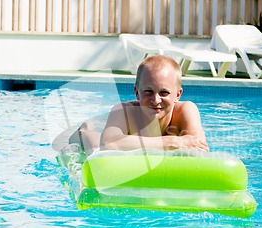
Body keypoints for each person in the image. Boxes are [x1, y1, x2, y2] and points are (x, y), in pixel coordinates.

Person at [77, 54, 209, 154]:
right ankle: (85, 129)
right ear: (137, 92)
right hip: (99, 136)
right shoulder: (125, 111)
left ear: (178, 95)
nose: (156, 100)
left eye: (164, 93)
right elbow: (107, 144)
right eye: (148, 91)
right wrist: (172, 142)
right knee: (95, 148)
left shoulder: (186, 110)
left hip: (130, 141)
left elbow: (199, 146)